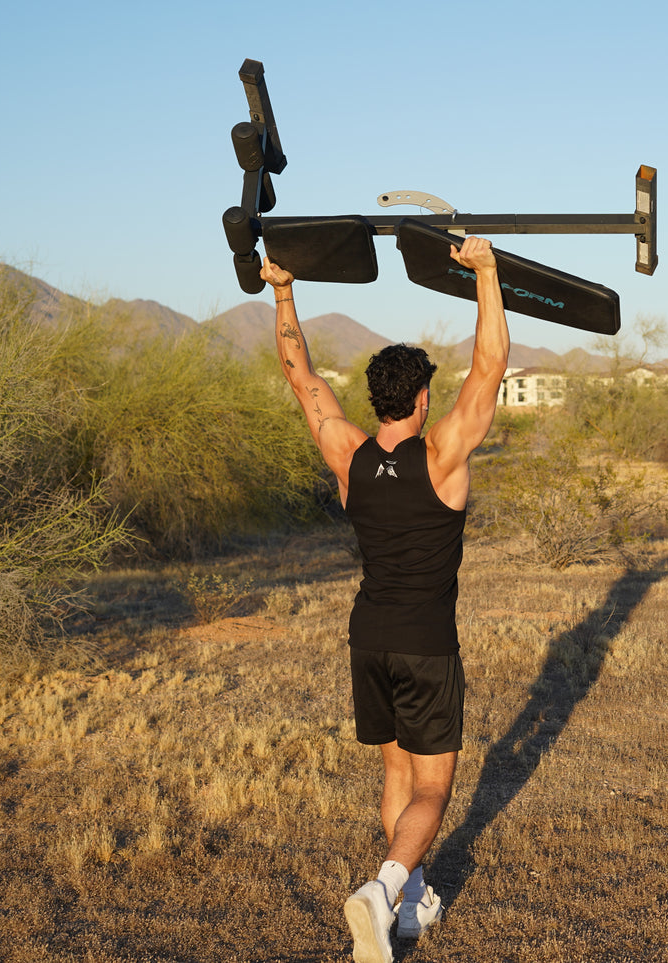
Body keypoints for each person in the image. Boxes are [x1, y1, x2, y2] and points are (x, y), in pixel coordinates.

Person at [261, 235, 509, 963]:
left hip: (368, 637)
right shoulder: (441, 458)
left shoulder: (345, 452)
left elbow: (298, 372)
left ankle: (405, 909)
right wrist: (486, 274)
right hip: (427, 642)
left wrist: (281, 289)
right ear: (423, 397)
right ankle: (383, 886)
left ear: (376, 397)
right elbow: (491, 366)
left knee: (396, 772)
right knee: (432, 786)